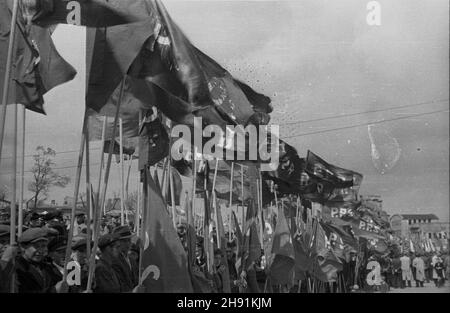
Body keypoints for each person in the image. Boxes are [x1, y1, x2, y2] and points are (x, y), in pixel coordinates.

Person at [15, 227, 63, 293]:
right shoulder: (16, 269)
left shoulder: (49, 267)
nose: (40, 251)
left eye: (43, 246)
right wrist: (53, 291)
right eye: (36, 246)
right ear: (23, 247)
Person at [111, 226, 138, 292]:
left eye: (129, 240)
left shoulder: (131, 260)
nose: (128, 243)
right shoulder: (113, 261)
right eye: (124, 241)